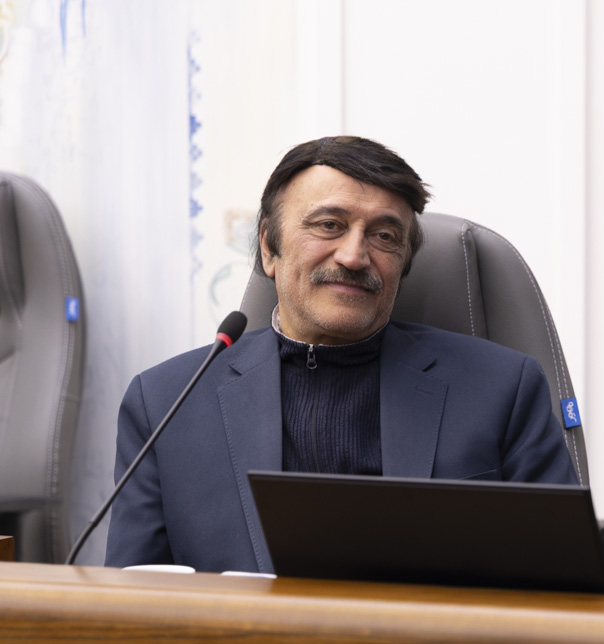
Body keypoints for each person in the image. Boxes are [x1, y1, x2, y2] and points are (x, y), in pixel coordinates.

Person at [105, 136, 577, 573]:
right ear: (268, 247)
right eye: (329, 225)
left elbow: (563, 582)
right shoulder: (166, 403)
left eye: (385, 236)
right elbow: (129, 606)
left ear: (403, 264)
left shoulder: (501, 389)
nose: (354, 256)